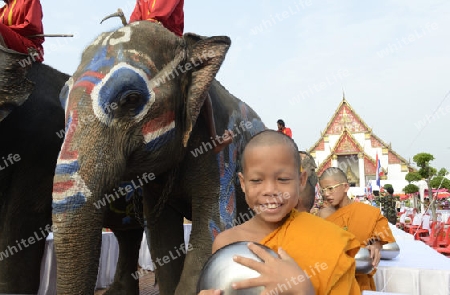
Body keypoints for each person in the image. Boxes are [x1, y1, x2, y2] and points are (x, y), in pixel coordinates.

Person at [202, 130, 361, 294]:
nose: (270, 190)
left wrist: (303, 289)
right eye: (257, 180)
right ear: (243, 183)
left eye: (283, 179)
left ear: (301, 181)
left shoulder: (328, 238)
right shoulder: (226, 243)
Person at [129, 0, 232, 153]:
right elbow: (133, 22)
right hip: (144, 43)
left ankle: (212, 139)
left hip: (170, 44)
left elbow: (157, 18)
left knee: (196, 82)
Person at [318, 167, 395, 292]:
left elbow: (381, 237)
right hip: (330, 282)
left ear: (346, 187)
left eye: (331, 188)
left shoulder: (369, 212)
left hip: (360, 281)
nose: (326, 194)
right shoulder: (322, 215)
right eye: (323, 190)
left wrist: (375, 245)